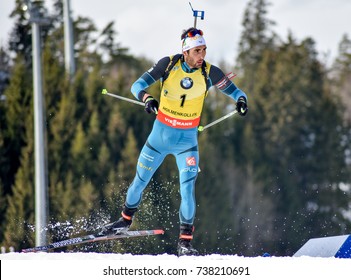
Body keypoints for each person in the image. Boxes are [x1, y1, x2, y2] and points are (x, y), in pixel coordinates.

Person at [101, 27, 248, 256]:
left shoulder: (210, 72)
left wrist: (241, 101)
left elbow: (237, 92)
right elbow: (136, 86)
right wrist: (148, 98)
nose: (202, 56)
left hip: (186, 142)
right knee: (140, 181)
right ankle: (124, 221)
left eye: (204, 50)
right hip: (159, 138)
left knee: (187, 189)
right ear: (186, 51)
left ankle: (185, 243)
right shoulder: (168, 65)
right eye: (197, 51)